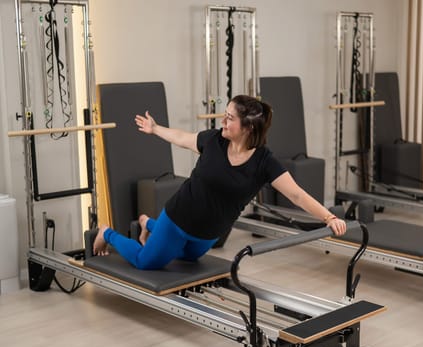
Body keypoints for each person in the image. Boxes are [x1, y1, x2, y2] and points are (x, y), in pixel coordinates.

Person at [93, 95, 347, 269]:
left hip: (208, 235)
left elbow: (297, 195)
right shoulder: (214, 140)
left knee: (187, 258)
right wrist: (155, 128)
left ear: (247, 127)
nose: (222, 122)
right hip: (180, 217)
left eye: (229, 118)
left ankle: (149, 223)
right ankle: (107, 233)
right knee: (145, 261)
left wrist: (329, 218)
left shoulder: (264, 162)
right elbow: (182, 137)